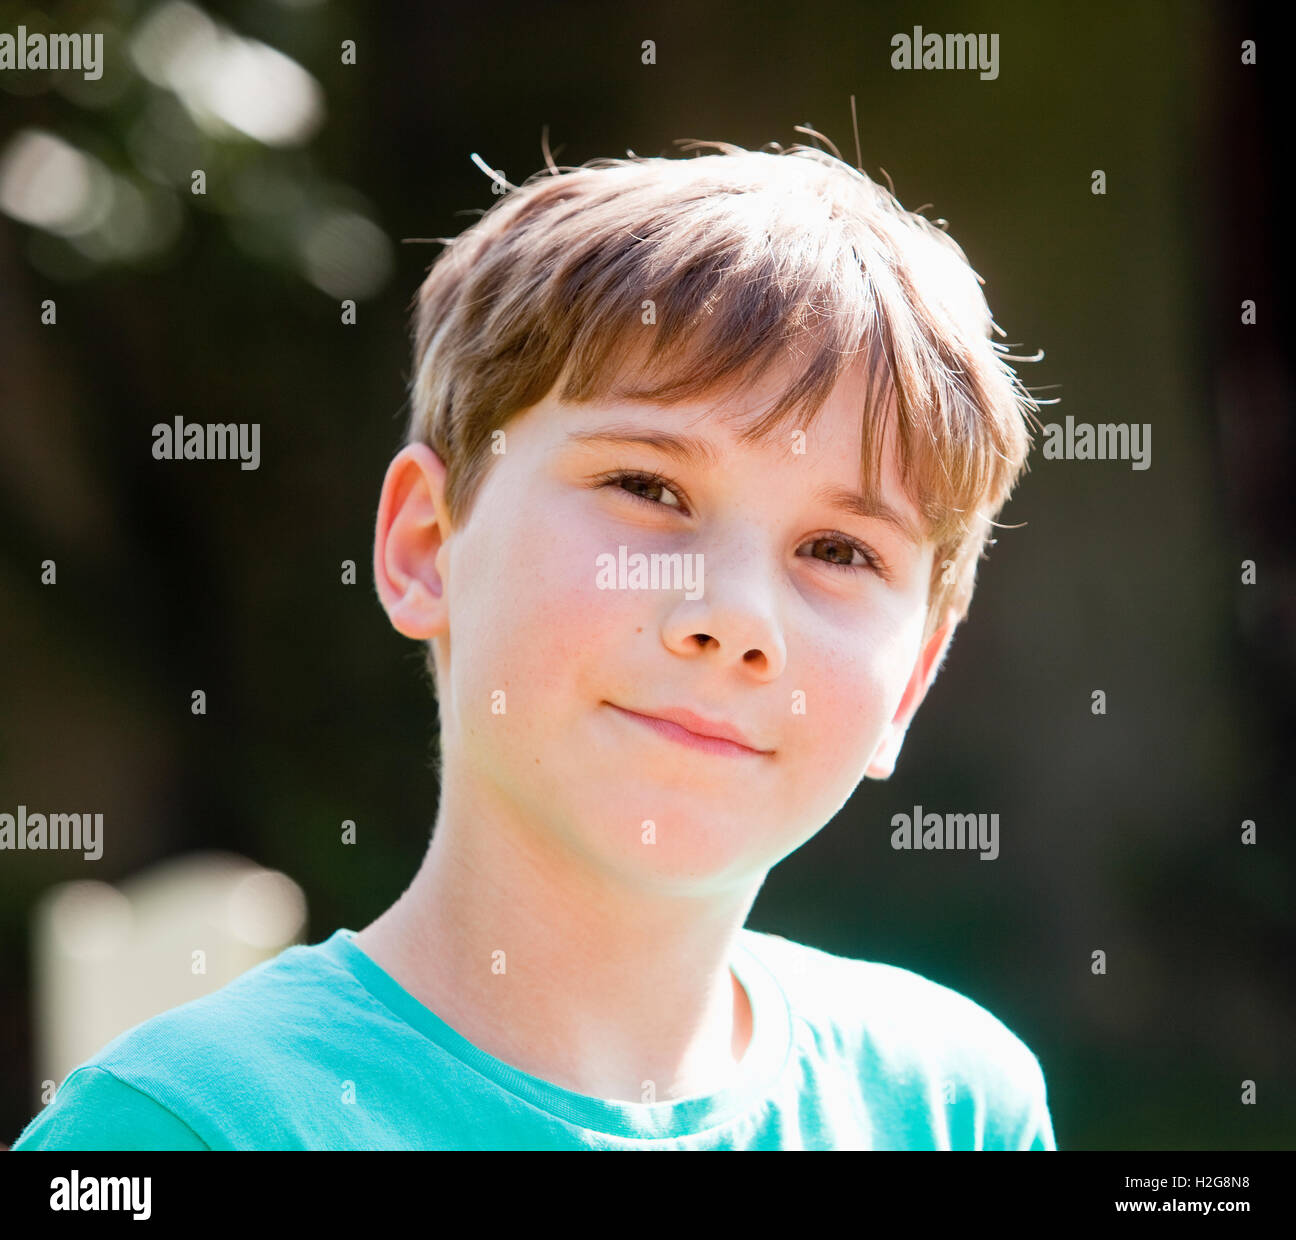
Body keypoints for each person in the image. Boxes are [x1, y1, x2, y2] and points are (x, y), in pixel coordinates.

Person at [13, 135, 1054, 1150]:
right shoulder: (177, 1128)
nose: (735, 617)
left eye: (837, 548)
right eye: (647, 486)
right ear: (427, 545)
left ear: (914, 674)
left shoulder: (955, 1108)